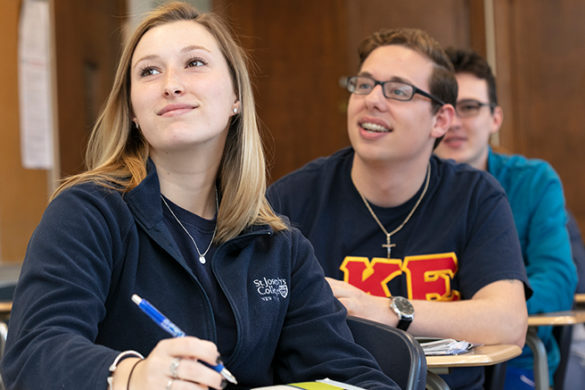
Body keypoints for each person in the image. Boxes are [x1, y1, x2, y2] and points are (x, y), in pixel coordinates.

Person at [0, 3, 400, 390]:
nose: (171, 84)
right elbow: (33, 354)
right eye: (149, 71)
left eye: (194, 63)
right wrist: (131, 377)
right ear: (134, 112)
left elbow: (351, 374)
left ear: (235, 98)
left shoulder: (280, 246)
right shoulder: (88, 212)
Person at [267, 28, 531, 390]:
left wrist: (388, 310)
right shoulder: (293, 198)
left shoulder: (475, 195)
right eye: (363, 85)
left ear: (441, 120)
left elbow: (508, 322)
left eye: (398, 91)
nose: (372, 100)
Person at [434, 47, 578, 389]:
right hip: (417, 359)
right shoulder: (403, 186)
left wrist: (481, 313)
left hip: (512, 359)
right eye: (444, 108)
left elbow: (558, 280)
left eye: (469, 107)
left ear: (495, 118)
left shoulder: (533, 180)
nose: (454, 121)